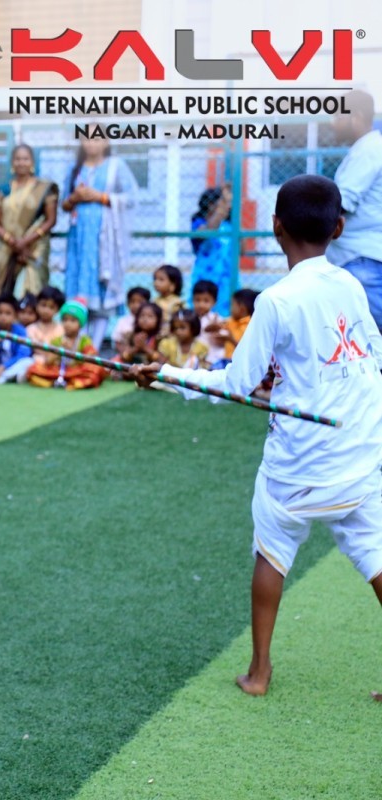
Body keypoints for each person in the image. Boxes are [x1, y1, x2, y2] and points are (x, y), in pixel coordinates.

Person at [131, 174, 382, 699]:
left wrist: (167, 374)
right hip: (359, 455)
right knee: (375, 555)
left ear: (275, 228)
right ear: (338, 228)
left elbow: (237, 384)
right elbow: (368, 360)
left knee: (272, 553)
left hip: (300, 466)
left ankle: (260, 673)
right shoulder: (352, 285)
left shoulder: (276, 299)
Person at [62, 128, 137, 346]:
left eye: (97, 138)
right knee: (79, 288)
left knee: (101, 285)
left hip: (106, 238)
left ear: (105, 142)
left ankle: (94, 347)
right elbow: (65, 204)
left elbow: (131, 197)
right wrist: (76, 197)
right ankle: (78, 345)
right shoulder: (74, 169)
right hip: (79, 238)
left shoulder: (116, 167)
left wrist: (100, 197)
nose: (91, 143)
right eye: (87, 138)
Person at [328, 90, 382, 333]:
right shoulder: (367, 149)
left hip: (361, 261)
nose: (333, 123)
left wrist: (302, 215)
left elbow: (342, 203)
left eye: (339, 116)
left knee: (369, 339)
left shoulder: (368, 150)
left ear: (356, 116)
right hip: (362, 260)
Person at [0, 144, 58, 304]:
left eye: (25, 159)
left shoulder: (43, 189)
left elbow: (51, 220)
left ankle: (33, 322)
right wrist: (12, 241)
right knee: (2, 289)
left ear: (32, 162)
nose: (22, 163)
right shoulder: (4, 189)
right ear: (12, 163)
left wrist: (25, 242)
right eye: (18, 159)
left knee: (34, 288)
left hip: (34, 246)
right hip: (7, 246)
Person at [27, 298, 105, 389]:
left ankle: (73, 384)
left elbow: (91, 358)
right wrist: (59, 350)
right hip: (58, 371)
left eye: (72, 321)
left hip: (77, 371)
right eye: (65, 320)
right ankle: (53, 383)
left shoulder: (84, 340)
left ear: (80, 324)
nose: (68, 324)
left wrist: (72, 351)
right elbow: (48, 362)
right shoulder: (57, 340)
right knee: (33, 369)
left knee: (96, 370)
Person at [190, 184, 239, 317]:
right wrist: (221, 209)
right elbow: (209, 232)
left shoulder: (229, 226)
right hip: (206, 275)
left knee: (226, 311)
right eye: (224, 202)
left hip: (227, 276)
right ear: (211, 204)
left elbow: (242, 249)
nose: (228, 206)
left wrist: (237, 220)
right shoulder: (199, 222)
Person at [115, 301, 163, 368]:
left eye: (150, 316)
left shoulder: (160, 338)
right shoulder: (130, 335)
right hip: (132, 367)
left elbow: (161, 360)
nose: (145, 319)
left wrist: (144, 348)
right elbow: (124, 357)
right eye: (142, 315)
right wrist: (136, 348)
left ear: (158, 320)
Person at [26, 285, 65, 366]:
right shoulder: (31, 329)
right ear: (37, 305)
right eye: (43, 305)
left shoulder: (61, 328)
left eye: (51, 307)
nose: (46, 310)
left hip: (56, 362)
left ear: (57, 310)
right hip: (37, 361)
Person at [111, 286, 151, 354]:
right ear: (127, 303)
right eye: (132, 302)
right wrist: (125, 353)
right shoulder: (123, 321)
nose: (136, 305)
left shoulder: (150, 321)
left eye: (140, 302)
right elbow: (117, 341)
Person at [191, 279, 224, 361]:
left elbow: (222, 341)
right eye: (197, 300)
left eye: (206, 301)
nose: (201, 305)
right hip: (194, 356)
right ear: (192, 300)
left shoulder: (217, 320)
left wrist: (216, 330)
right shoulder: (190, 318)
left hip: (212, 358)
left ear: (214, 302)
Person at [153, 264, 184, 333]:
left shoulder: (177, 302)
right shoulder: (154, 300)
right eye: (155, 279)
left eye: (161, 280)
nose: (156, 283)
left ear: (173, 285)